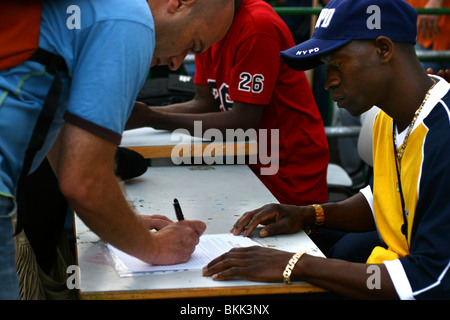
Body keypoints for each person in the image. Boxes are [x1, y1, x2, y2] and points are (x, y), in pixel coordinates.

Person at [203, 0, 450, 299]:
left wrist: (297, 265)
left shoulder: (443, 135)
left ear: (383, 49)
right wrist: (307, 214)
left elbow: (430, 279)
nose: (328, 82)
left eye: (336, 65)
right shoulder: (389, 115)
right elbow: (382, 201)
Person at [0, 0, 234, 300]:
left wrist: (126, 225)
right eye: (193, 43)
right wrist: (158, 249)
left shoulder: (100, 10)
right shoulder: (129, 20)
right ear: (179, 3)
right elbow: (85, 182)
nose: (177, 63)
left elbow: (62, 142)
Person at [126, 0, 329, 206]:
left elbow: (243, 122)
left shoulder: (257, 26)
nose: (176, 61)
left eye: (192, 47)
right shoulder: (210, 27)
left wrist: (151, 117)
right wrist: (144, 114)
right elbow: (205, 103)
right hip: (249, 166)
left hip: (285, 175)